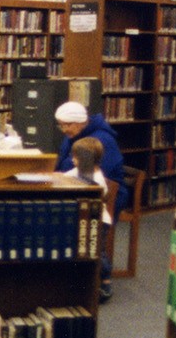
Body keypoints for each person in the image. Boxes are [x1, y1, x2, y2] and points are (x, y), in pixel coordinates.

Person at [53, 100, 129, 212]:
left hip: (104, 194)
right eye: (61, 125)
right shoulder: (73, 135)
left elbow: (87, 176)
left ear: (82, 122)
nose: (64, 130)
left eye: (68, 125)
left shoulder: (98, 141)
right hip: (75, 185)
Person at [69, 137, 117, 302]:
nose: (72, 160)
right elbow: (64, 177)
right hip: (85, 218)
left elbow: (98, 195)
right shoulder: (80, 171)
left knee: (97, 251)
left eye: (75, 157)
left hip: (98, 221)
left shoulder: (96, 178)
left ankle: (105, 283)